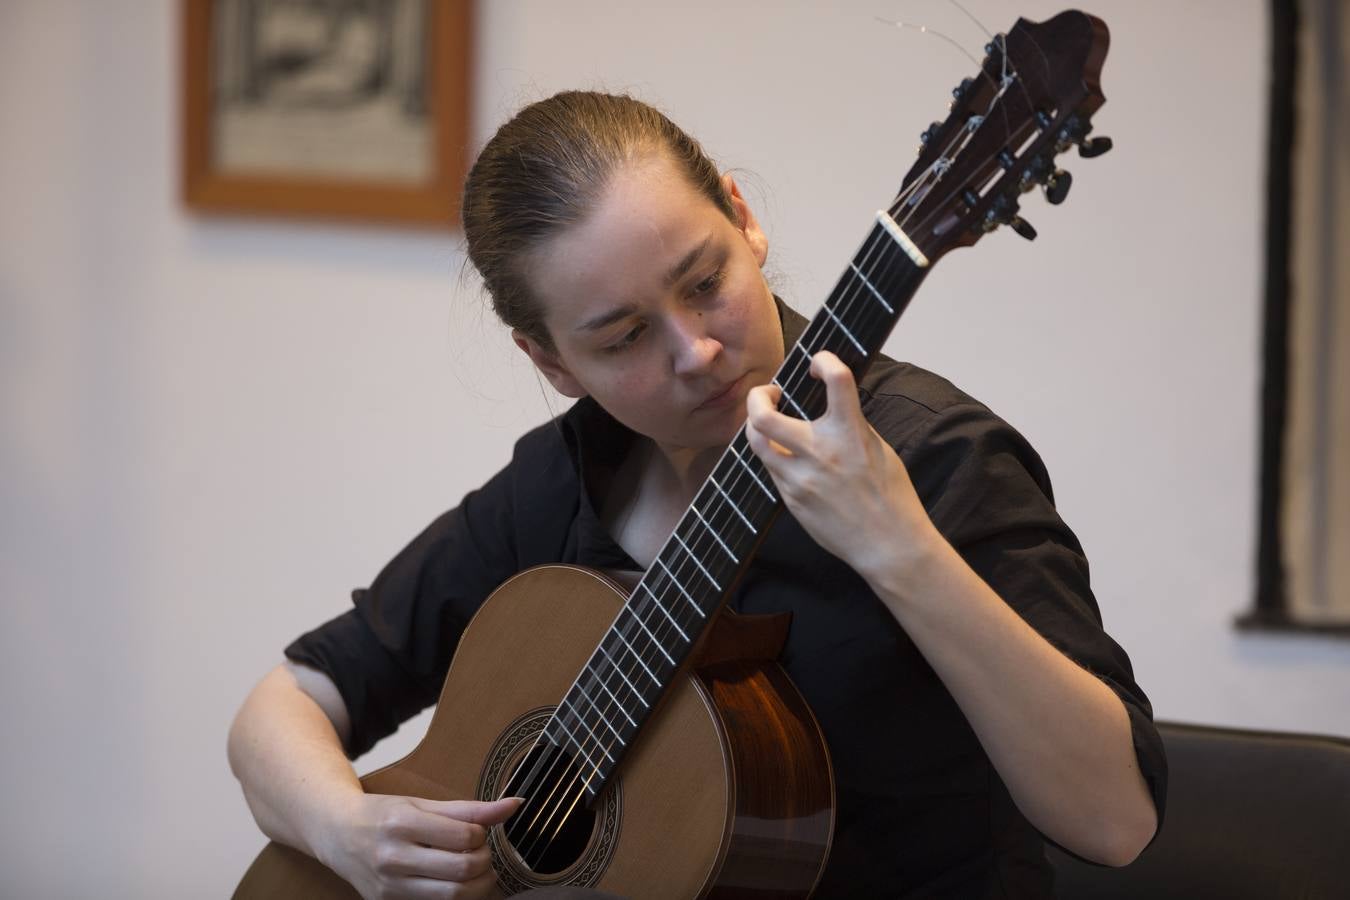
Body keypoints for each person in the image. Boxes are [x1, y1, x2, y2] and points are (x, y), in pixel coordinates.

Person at [228, 90, 1166, 899]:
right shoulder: (567, 480)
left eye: (706, 280)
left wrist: (899, 545)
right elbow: (288, 702)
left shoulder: (935, 456)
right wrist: (347, 834)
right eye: (624, 337)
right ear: (551, 361)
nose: (696, 352)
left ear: (741, 214)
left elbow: (1114, 820)